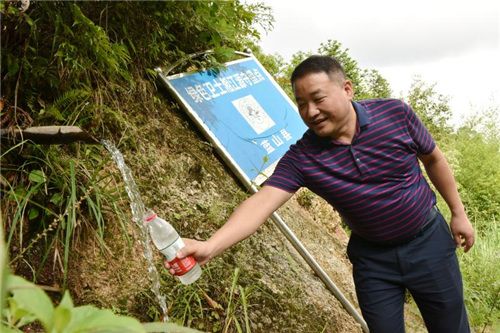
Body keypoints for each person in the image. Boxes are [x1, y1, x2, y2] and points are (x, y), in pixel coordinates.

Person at [166, 55, 475, 332]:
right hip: (374, 261)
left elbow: (433, 158)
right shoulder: (304, 157)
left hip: (429, 242)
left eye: (318, 98)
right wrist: (211, 245)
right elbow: (262, 202)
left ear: (347, 89)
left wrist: (458, 213)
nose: (310, 111)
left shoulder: (395, 114)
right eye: (302, 103)